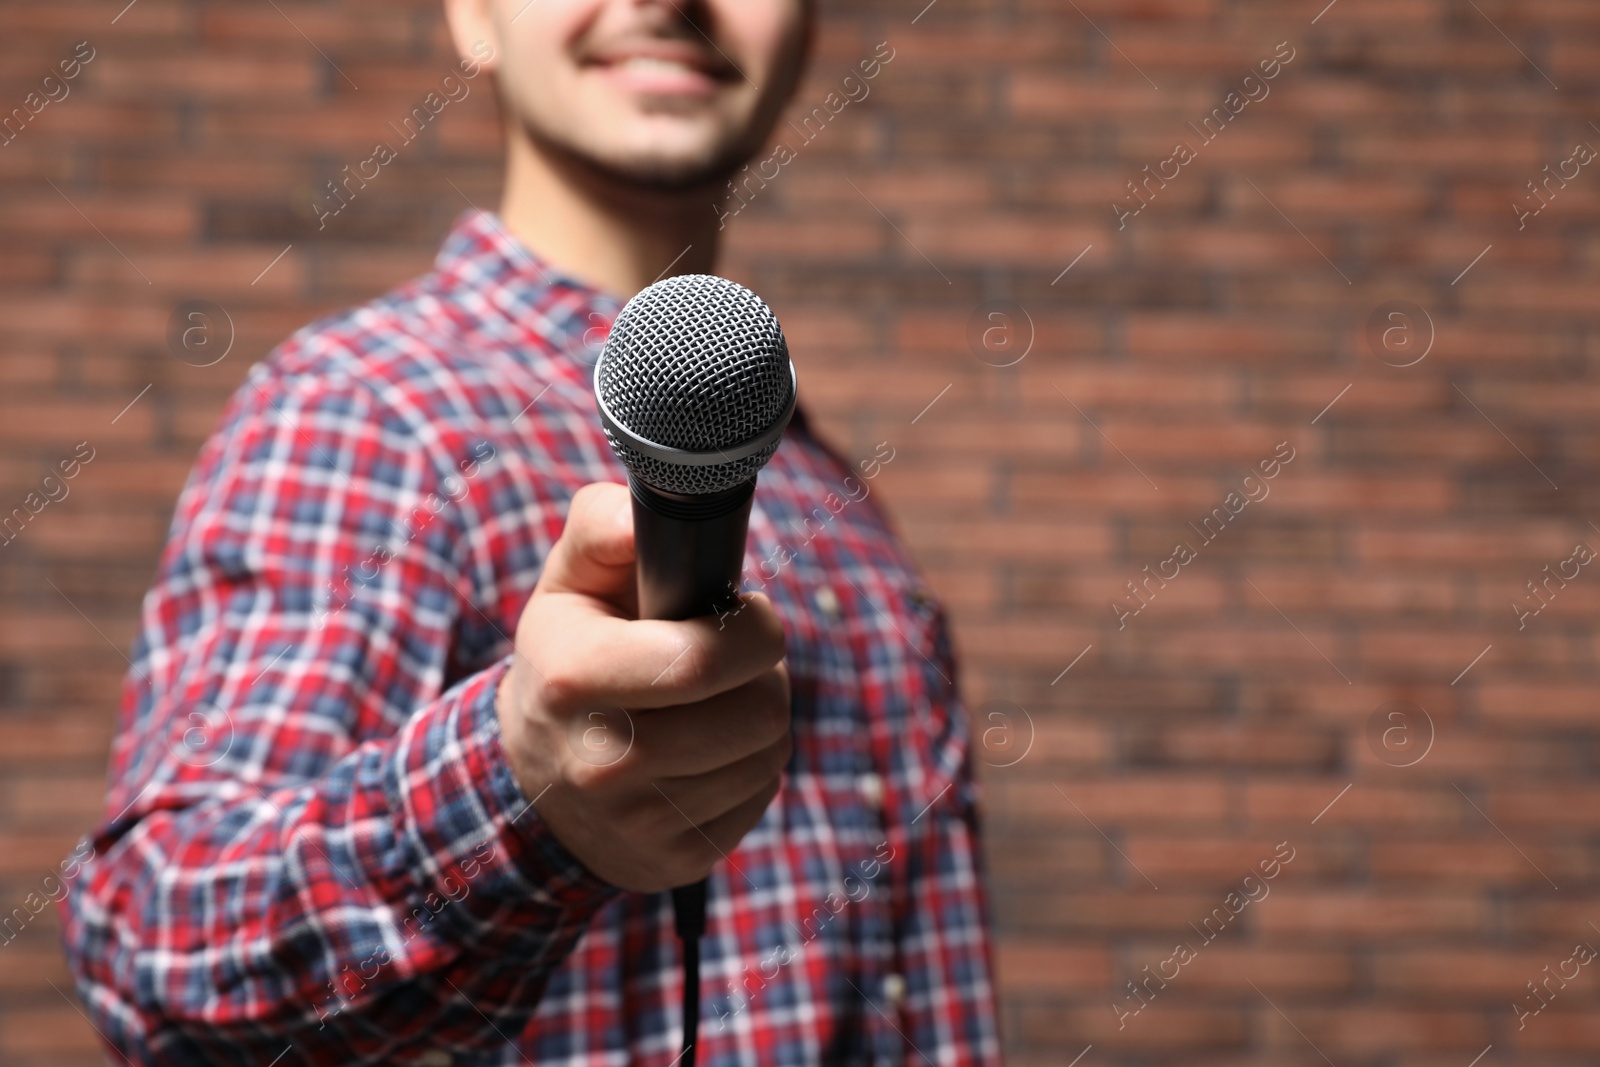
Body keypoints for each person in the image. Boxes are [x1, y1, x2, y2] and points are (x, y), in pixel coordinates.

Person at [59, 1, 1000, 1063]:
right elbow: (158, 946)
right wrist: (516, 792)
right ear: (474, 17)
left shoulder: (820, 480)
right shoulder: (371, 406)